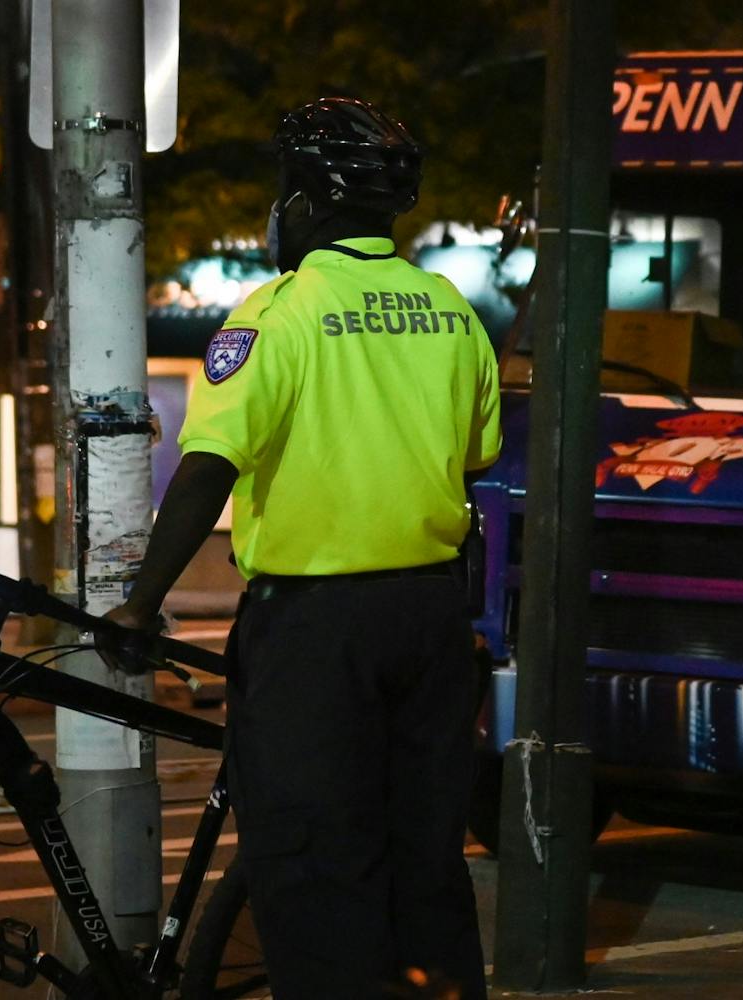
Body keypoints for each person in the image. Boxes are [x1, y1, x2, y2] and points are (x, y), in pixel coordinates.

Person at [106, 96, 501, 999]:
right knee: (425, 861)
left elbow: (208, 463)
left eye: (282, 192)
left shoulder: (277, 313)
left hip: (317, 633)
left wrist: (140, 600)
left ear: (310, 205)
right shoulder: (451, 312)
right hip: (433, 624)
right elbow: (477, 453)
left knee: (318, 868)